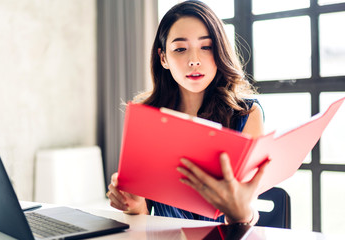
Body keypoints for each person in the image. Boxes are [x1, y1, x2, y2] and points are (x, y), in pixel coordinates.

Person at [107, 0, 269, 225]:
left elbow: (247, 209)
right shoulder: (146, 117)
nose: (194, 60)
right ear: (163, 58)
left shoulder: (246, 114)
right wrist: (136, 206)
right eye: (180, 49)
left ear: (219, 51)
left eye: (206, 47)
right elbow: (146, 221)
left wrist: (241, 213)